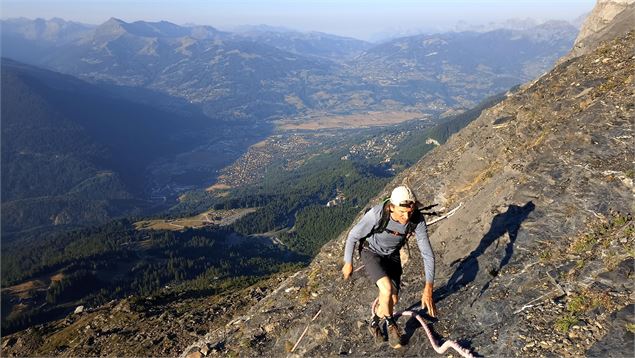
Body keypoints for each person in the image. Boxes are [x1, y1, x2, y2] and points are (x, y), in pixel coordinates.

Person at [341, 185, 436, 349]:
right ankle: (392, 328)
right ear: (391, 207)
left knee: (392, 299)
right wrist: (348, 262)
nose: (406, 216)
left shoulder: (417, 220)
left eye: (410, 211)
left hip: (392, 255)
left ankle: (374, 322)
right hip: (371, 252)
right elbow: (353, 236)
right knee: (386, 290)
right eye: (402, 212)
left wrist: (428, 287)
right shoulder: (377, 215)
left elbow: (427, 253)